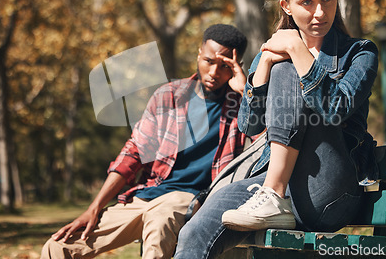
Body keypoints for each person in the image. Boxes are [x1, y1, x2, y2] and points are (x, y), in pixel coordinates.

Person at [174, 0, 379, 258]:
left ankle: (273, 193)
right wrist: (264, 67)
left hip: (332, 191)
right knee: (194, 231)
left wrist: (298, 53)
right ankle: (272, 193)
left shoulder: (360, 53)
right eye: (307, 3)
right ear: (287, 6)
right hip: (275, 186)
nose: (320, 12)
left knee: (287, 69)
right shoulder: (274, 51)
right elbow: (250, 125)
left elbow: (336, 109)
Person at [41, 24, 249, 259]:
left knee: (160, 227)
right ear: (199, 55)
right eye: (209, 61)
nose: (214, 72)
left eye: (225, 66)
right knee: (59, 246)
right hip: (146, 194)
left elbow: (264, 142)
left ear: (236, 67)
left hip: (187, 199)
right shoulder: (169, 96)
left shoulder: (242, 106)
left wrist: (245, 91)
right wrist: (94, 208)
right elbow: (133, 153)